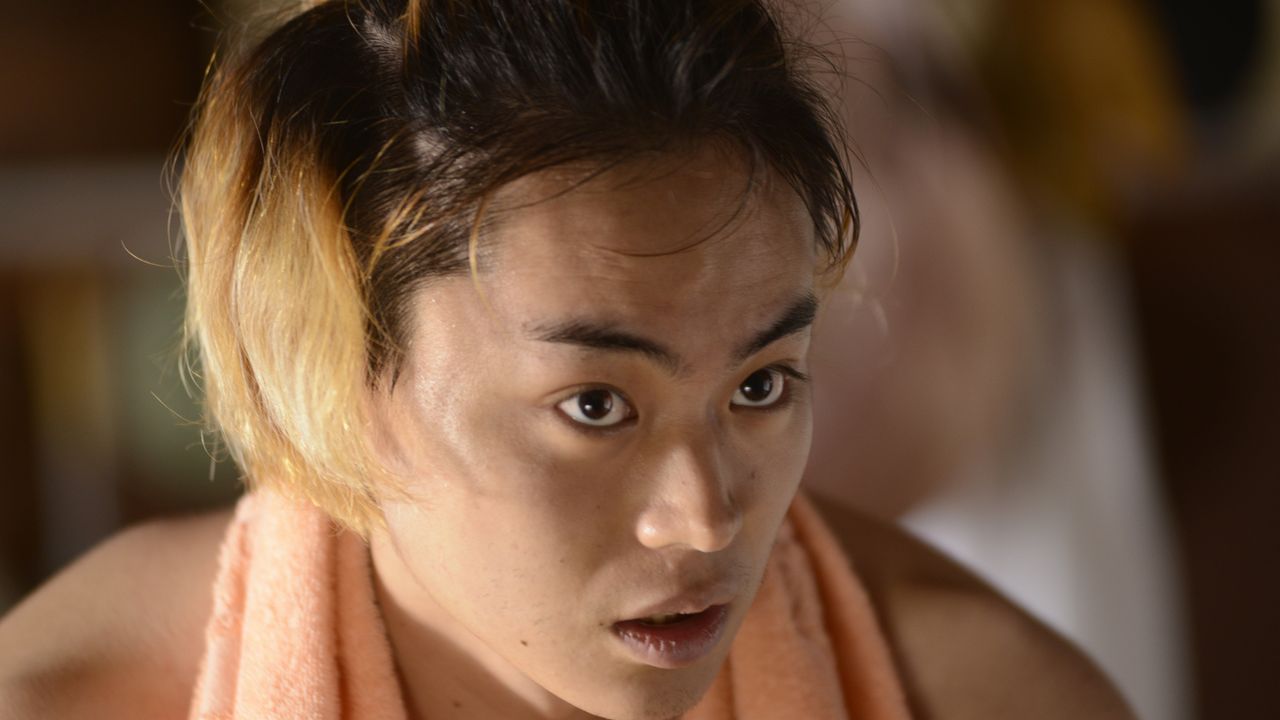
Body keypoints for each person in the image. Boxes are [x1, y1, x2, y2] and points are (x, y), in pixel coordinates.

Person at [0, 1, 1133, 718]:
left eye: (757, 385)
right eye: (595, 405)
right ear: (339, 379)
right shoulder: (74, 700)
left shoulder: (987, 693)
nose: (706, 520)